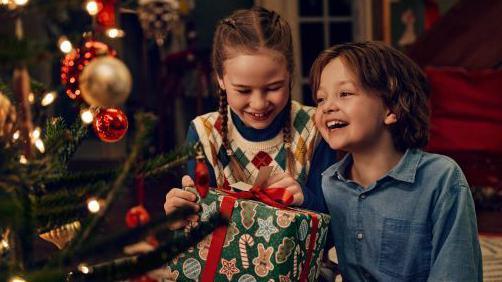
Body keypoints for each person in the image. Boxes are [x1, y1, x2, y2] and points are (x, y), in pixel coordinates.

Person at [311, 41, 482, 281]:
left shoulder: (441, 178)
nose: (327, 107)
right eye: (320, 99)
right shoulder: (329, 183)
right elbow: (317, 260)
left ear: (391, 107)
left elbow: (456, 271)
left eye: (345, 93)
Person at [163, 7, 336, 230]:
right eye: (243, 90)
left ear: (290, 74)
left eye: (274, 87)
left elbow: (335, 226)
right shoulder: (203, 133)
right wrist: (182, 214)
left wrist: (306, 199)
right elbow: (197, 226)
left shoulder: (316, 127)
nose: (259, 103)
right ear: (221, 80)